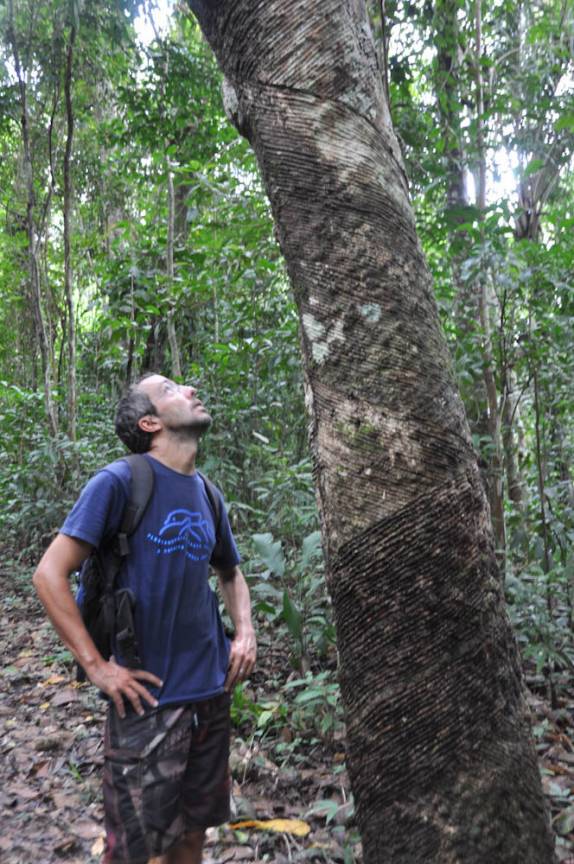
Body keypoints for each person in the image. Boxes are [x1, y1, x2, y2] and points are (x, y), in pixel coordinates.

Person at [33, 373, 257, 864]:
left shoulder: (207, 492)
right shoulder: (118, 482)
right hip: (148, 700)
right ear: (149, 421)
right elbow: (49, 575)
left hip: (209, 692)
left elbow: (230, 570)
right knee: (131, 851)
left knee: (192, 836)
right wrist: (96, 666)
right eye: (172, 389)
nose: (191, 390)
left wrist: (245, 631)